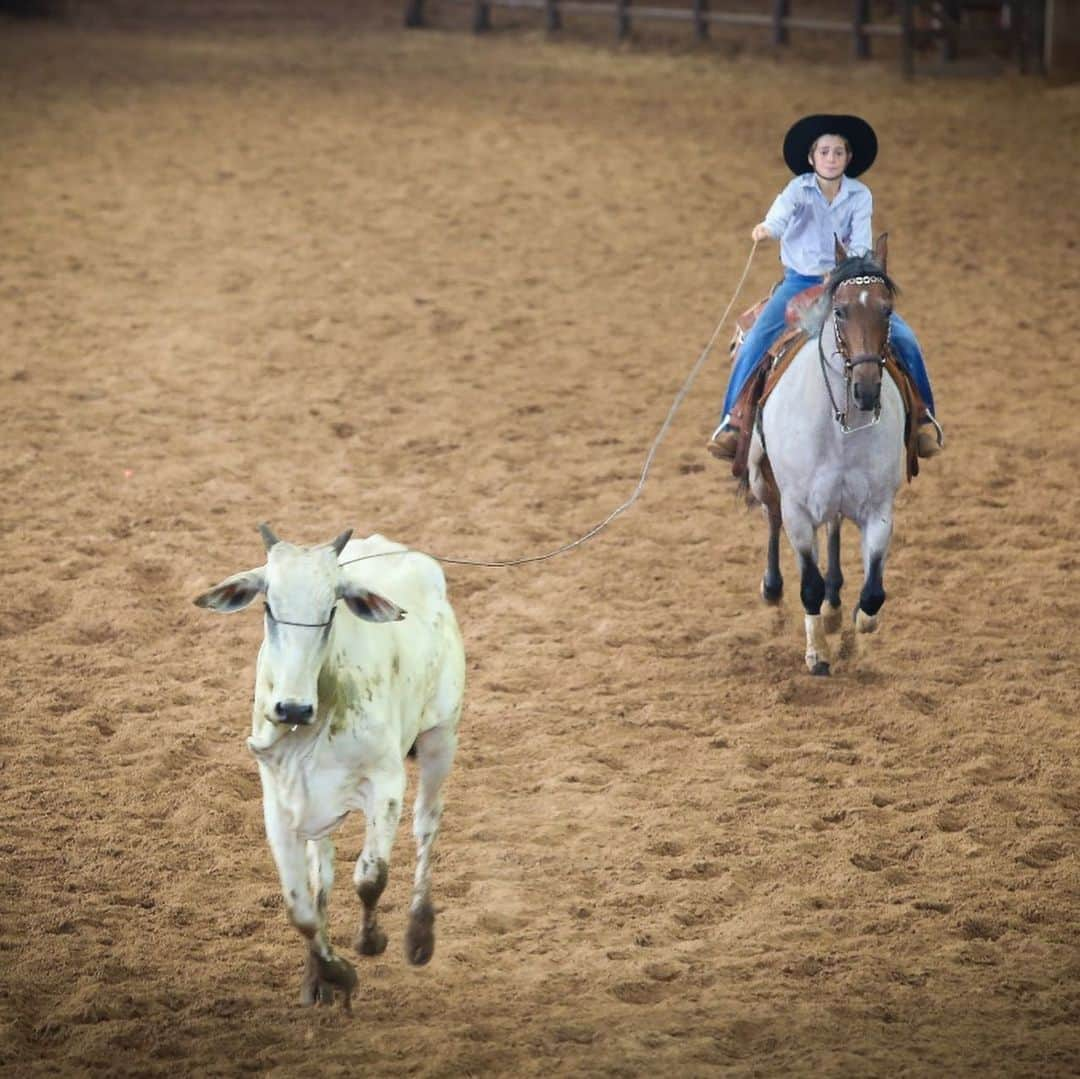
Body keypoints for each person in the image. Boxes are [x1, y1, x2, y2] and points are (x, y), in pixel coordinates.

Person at [707, 114, 942, 461]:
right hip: (798, 281)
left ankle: (922, 418)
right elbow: (780, 216)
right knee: (757, 339)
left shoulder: (860, 195)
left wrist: (848, 271)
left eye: (838, 152)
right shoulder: (797, 190)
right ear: (811, 158)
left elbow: (861, 242)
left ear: (848, 159)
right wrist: (768, 229)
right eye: (824, 152)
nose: (831, 158)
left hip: (846, 280)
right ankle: (733, 420)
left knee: (904, 338)